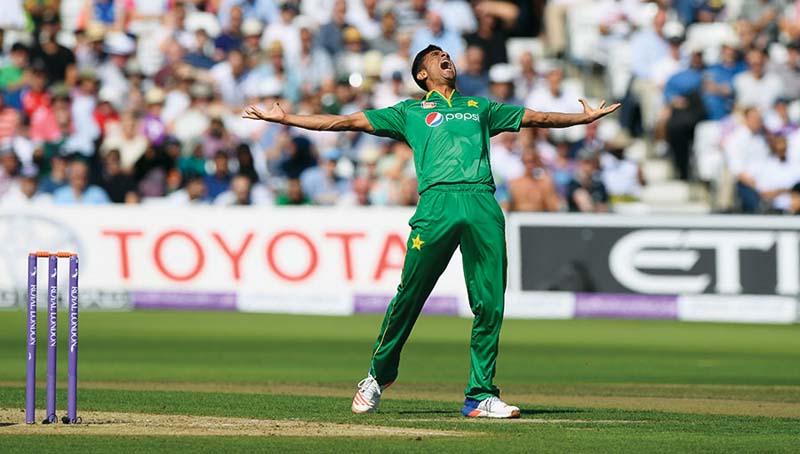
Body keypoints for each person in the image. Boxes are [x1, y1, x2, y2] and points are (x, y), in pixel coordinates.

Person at [243, 44, 618, 418]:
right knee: (410, 295)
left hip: (482, 203)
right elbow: (345, 122)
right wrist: (286, 118)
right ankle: (378, 375)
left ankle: (481, 394)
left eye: (448, 55)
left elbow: (535, 117)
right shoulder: (409, 111)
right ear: (422, 74)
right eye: (436, 57)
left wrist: (580, 119)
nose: (447, 58)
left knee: (490, 302)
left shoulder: (480, 108)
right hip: (436, 204)